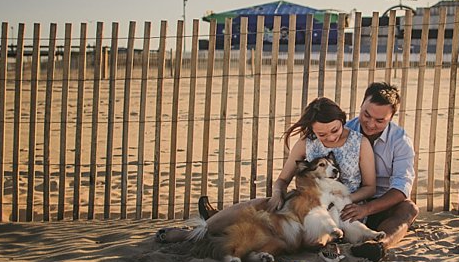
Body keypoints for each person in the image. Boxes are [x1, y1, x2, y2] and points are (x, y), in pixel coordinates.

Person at [157, 97, 376, 242]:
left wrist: (346, 198)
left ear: (343, 120)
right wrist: (278, 194)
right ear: (312, 131)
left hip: (344, 209)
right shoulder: (306, 144)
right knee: (259, 205)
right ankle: (195, 233)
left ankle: (221, 229)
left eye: (334, 130)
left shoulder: (359, 143)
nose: (329, 137)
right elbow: (282, 179)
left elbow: (370, 186)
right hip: (305, 204)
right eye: (322, 134)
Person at [338, 82, 418, 262]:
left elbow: (401, 189)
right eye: (366, 115)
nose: (371, 124)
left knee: (409, 208)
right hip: (347, 202)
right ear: (361, 105)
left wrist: (366, 209)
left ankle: (379, 246)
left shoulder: (400, 141)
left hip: (381, 204)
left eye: (380, 120)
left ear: (391, 117)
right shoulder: (344, 131)